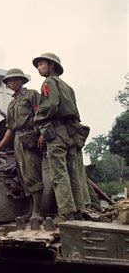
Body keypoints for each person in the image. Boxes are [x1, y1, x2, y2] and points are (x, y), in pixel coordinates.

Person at [33, 53, 85, 223]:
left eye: (42, 64)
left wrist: (37, 116)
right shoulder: (67, 86)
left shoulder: (48, 83)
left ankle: (66, 212)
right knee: (73, 172)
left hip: (56, 132)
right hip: (71, 132)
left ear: (52, 66)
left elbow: (50, 105)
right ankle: (78, 209)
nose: (39, 68)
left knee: (59, 173)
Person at [0, 68, 43, 221]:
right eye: (9, 81)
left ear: (21, 81)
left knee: (32, 173)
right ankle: (31, 209)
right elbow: (10, 128)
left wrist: (42, 135)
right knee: (23, 175)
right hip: (18, 140)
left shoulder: (32, 95)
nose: (11, 83)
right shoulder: (12, 104)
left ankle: (37, 211)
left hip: (31, 137)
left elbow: (42, 115)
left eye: (14, 80)